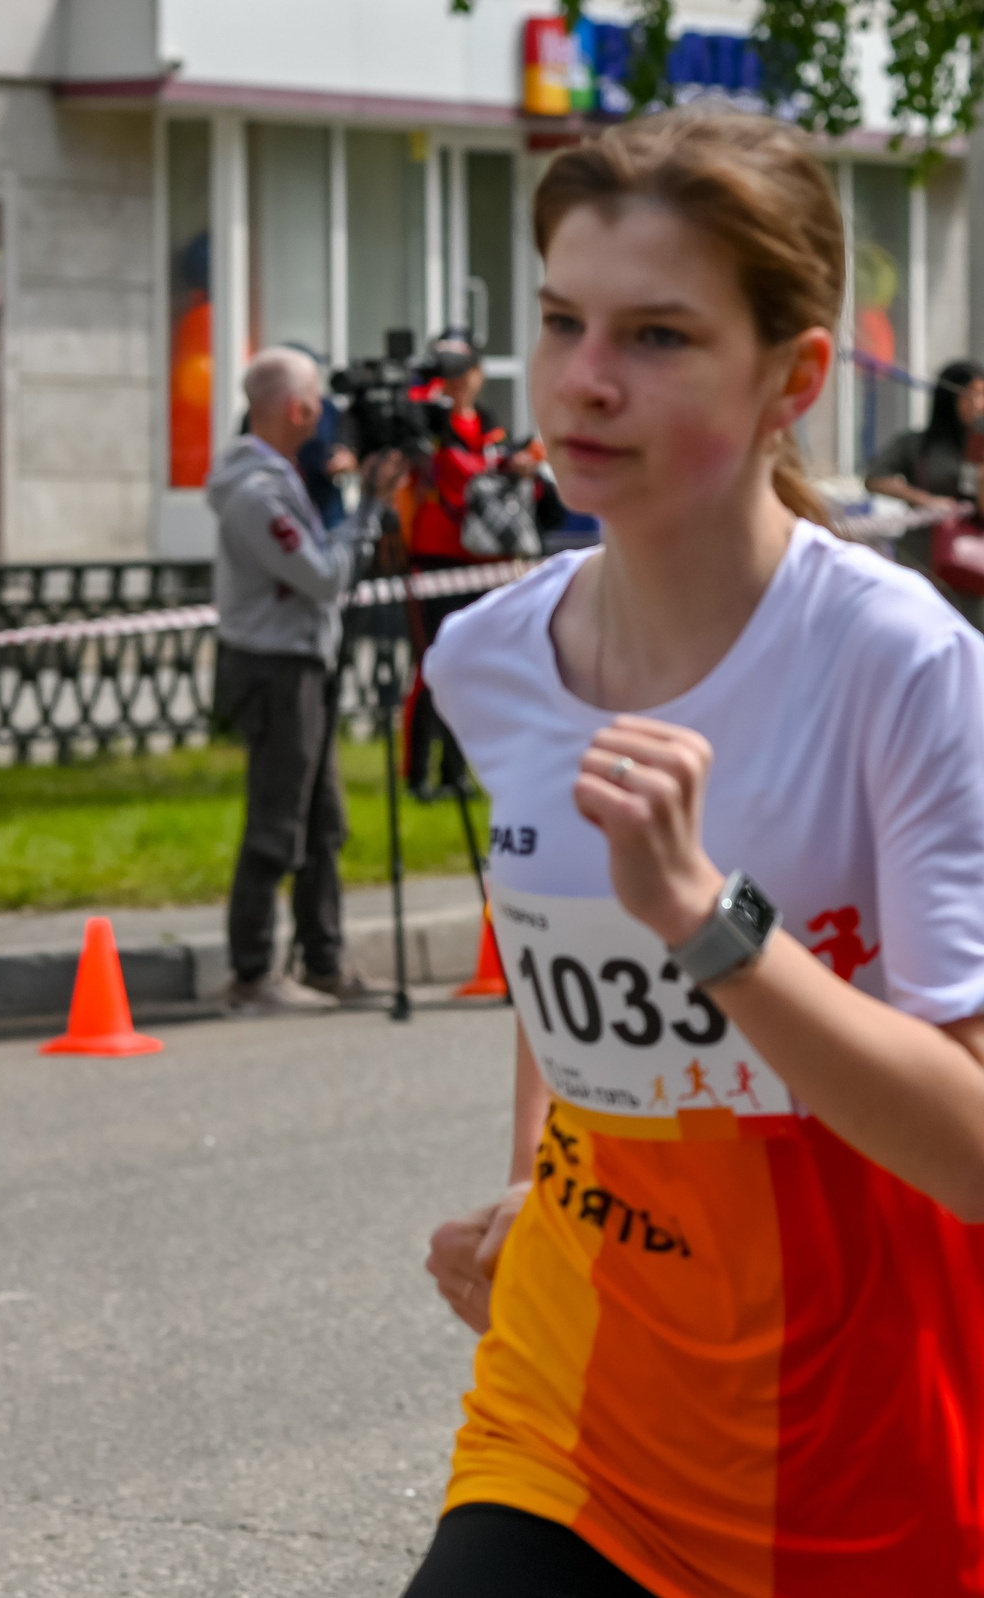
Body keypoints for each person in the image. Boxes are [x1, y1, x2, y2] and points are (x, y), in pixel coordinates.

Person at [410, 110, 984, 1597]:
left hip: (864, 1449)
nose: (586, 380)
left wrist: (712, 923)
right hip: (579, 1415)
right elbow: (566, 992)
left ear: (792, 375)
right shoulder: (486, 660)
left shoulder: (895, 659)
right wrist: (532, 1180)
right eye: (561, 321)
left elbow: (972, 1153)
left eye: (659, 336)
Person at [208, 348, 398, 1014]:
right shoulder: (255, 491)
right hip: (275, 667)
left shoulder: (284, 475)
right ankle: (252, 973)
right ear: (294, 409)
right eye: (316, 401)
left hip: (301, 665)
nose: (323, 415)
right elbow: (321, 575)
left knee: (324, 822)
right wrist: (369, 509)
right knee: (277, 823)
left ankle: (323, 959)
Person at [403, 332, 534, 800]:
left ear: (479, 374)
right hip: (434, 558)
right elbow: (413, 421)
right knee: (431, 667)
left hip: (485, 559)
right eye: (448, 374)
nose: (456, 383)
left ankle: (455, 775)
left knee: (472, 667)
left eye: (463, 372)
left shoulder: (488, 425)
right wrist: (426, 382)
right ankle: (416, 775)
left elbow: (503, 468)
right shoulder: (425, 417)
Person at [865, 357, 984, 618]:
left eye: (982, 395)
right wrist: (924, 500)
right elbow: (875, 478)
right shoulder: (918, 445)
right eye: (970, 396)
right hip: (923, 558)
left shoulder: (980, 445)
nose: (978, 405)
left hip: (974, 566)